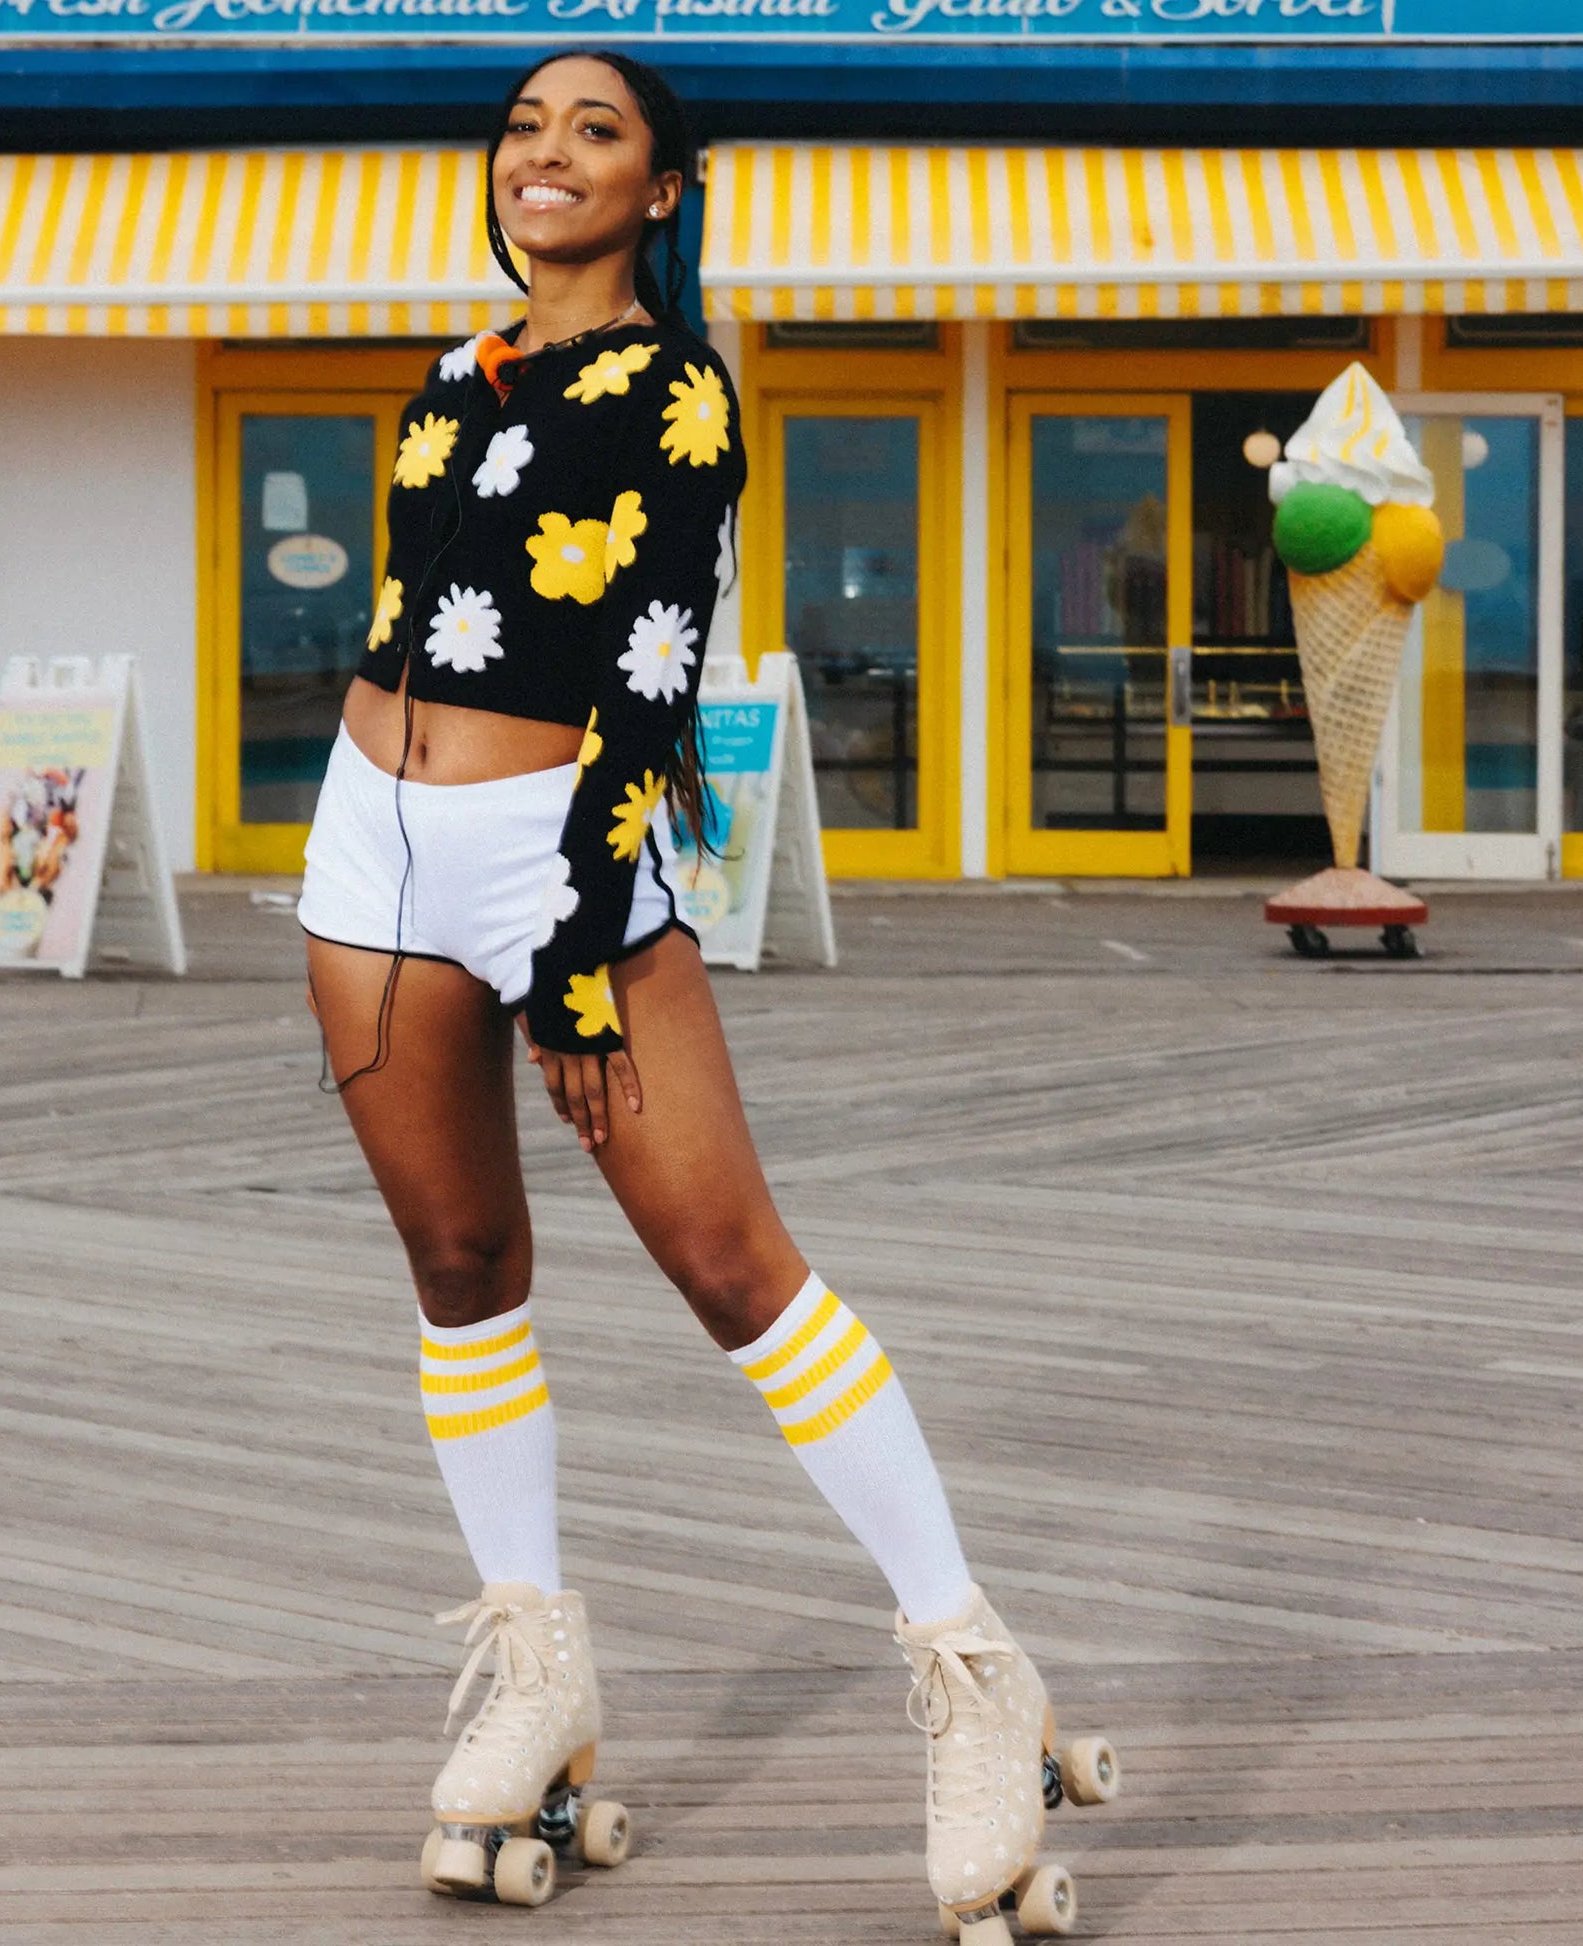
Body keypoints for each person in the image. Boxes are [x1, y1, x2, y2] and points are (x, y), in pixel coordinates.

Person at [298, 48, 1117, 1932]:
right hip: (367, 857)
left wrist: (578, 951)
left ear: (659, 189)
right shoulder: (449, 380)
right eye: (523, 127)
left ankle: (973, 1670)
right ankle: (536, 1666)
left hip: (550, 852)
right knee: (457, 1263)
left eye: (593, 131)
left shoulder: (675, 389)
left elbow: (648, 675)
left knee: (735, 1267)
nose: (545, 154)